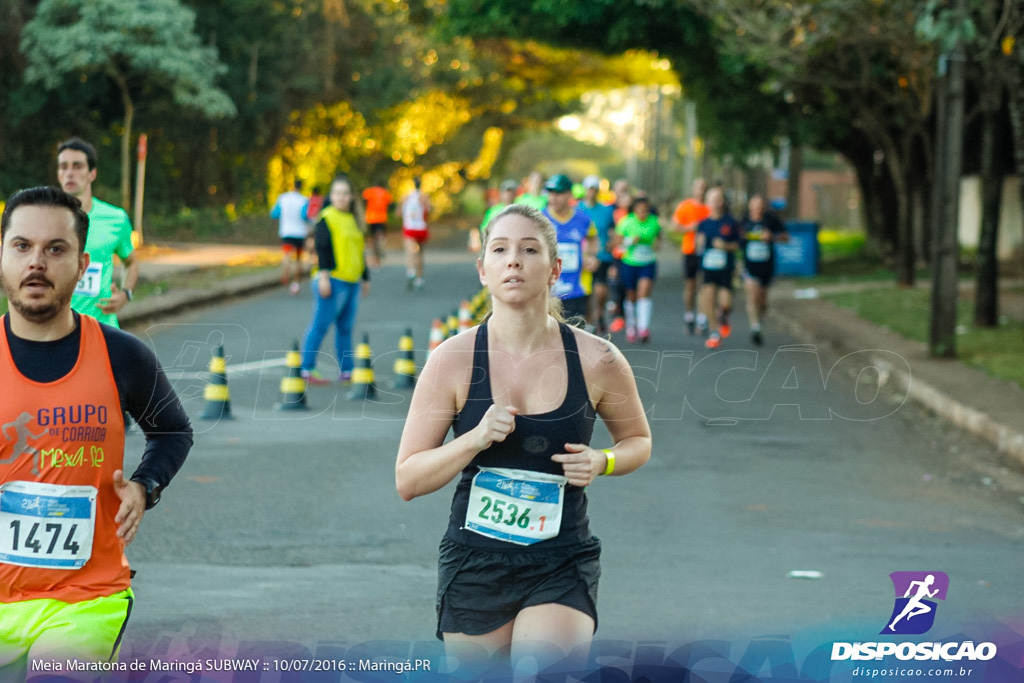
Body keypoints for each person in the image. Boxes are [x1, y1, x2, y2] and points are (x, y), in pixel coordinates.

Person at [395, 203, 651, 675]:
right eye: (500, 249)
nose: (513, 260)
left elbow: (637, 440)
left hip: (560, 559)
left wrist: (602, 461)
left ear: (555, 269)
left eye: (529, 249)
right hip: (475, 560)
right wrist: (472, 439)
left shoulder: (599, 360)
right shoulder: (451, 361)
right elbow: (408, 479)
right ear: (483, 270)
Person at [0, 186, 192, 680]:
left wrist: (145, 486)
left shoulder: (121, 355)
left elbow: (172, 431)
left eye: (55, 249)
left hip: (86, 596)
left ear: (83, 264)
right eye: (22, 246)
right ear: (2, 254)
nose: (36, 262)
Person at [56, 138, 139, 327]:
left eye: (77, 166)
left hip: (102, 329)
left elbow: (131, 261)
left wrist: (126, 294)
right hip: (56, 331)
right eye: (63, 167)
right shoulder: (44, 219)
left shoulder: (116, 219)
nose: (69, 173)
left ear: (92, 173)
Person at [300, 176, 370, 385]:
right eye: (337, 193)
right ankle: (307, 367)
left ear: (351, 196)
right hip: (332, 279)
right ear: (331, 196)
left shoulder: (354, 219)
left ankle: (347, 370)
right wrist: (323, 277)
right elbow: (322, 248)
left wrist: (365, 278)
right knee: (321, 325)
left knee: (345, 327)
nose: (341, 197)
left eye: (345, 193)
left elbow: (359, 251)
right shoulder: (326, 217)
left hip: (352, 281)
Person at [542, 174, 597, 326]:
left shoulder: (583, 219)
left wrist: (591, 257)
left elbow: (593, 238)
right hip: (547, 289)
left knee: (575, 335)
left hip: (577, 287)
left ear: (569, 195)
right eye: (550, 193)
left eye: (558, 193)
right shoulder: (539, 219)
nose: (553, 197)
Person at [740, 194, 789, 346]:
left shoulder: (771, 220)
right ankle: (755, 327)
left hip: (766, 266)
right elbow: (735, 239)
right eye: (755, 206)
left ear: (764, 207)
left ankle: (759, 320)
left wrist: (772, 237)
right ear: (750, 207)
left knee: (762, 299)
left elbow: (786, 237)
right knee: (752, 295)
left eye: (760, 206)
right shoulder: (744, 222)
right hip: (750, 266)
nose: (757, 209)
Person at [697, 187, 742, 349]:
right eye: (712, 200)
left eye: (719, 199)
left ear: (723, 202)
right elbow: (699, 247)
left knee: (725, 303)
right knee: (709, 299)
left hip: (726, 268)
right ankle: (714, 333)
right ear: (707, 203)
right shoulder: (703, 224)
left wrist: (725, 246)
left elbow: (738, 245)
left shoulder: (731, 223)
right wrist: (699, 244)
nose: (716, 203)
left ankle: (724, 316)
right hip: (709, 268)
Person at [613, 195, 662, 343]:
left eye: (645, 210)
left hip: (647, 262)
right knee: (631, 295)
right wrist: (629, 241)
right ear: (634, 209)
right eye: (640, 210)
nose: (642, 213)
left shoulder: (654, 222)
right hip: (629, 262)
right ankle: (631, 326)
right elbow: (617, 243)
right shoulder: (626, 222)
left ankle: (643, 328)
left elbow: (659, 241)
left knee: (644, 293)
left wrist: (655, 245)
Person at [671, 177, 710, 335]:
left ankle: (702, 318)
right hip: (689, 251)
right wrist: (691, 228)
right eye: (698, 187)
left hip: (707, 252)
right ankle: (689, 316)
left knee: (704, 286)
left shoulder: (710, 208)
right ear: (693, 189)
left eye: (704, 187)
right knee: (690, 286)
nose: (701, 190)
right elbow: (674, 227)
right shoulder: (685, 206)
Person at [577, 176, 616, 333]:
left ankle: (599, 313)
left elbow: (612, 231)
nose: (591, 191)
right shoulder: (577, 210)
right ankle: (589, 321)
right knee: (587, 292)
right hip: (583, 258)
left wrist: (611, 244)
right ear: (585, 190)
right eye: (589, 188)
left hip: (602, 256)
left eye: (594, 188)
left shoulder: (606, 210)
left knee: (600, 291)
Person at [271, 179, 311, 294]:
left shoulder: (282, 198)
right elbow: (305, 216)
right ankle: (295, 283)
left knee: (286, 255)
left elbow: (274, 214)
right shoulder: (304, 200)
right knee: (298, 259)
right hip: (299, 233)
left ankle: (285, 274)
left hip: (286, 232)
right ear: (301, 187)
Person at [401, 177, 431, 290]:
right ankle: (419, 278)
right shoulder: (424, 197)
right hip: (422, 228)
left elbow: (400, 212)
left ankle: (411, 271)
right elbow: (429, 210)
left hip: (410, 228)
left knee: (410, 251)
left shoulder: (406, 197)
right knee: (420, 254)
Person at [472, 179, 518, 253]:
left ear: (515, 194)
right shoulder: (493, 211)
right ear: (501, 194)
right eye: (507, 192)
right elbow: (484, 229)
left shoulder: (520, 210)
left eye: (512, 192)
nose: (509, 195)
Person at [362, 181, 393, 267]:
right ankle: (380, 247)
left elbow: (364, 200)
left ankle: (375, 253)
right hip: (382, 217)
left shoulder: (369, 191)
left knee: (373, 237)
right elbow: (390, 204)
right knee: (381, 235)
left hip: (371, 218)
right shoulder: (385, 192)